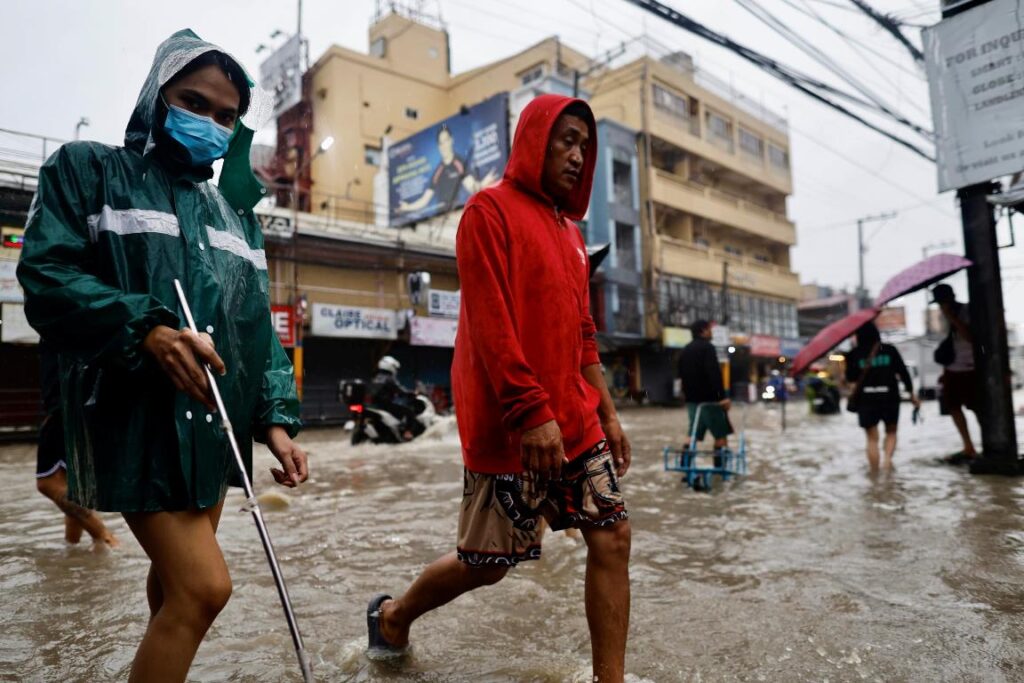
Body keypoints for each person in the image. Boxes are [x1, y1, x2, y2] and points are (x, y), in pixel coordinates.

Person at [17, 31, 306, 683]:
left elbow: (254, 326)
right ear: (157, 96)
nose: (210, 123)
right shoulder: (89, 172)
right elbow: (46, 273)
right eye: (192, 101)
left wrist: (278, 421)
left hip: (216, 431)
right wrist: (146, 329)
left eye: (226, 116)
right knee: (205, 588)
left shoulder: (236, 217)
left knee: (172, 592)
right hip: (135, 421)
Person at [367, 95, 632, 682]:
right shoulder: (488, 212)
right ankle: (393, 618)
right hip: (511, 420)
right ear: (534, 140)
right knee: (489, 564)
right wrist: (530, 412)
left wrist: (608, 414)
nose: (576, 155)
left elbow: (584, 333)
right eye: (565, 140)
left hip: (575, 416)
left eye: (584, 146)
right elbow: (491, 326)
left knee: (612, 536)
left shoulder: (571, 234)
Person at [35, 340, 119, 548]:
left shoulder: (59, 313)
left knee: (48, 483)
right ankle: (73, 547)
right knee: (75, 486)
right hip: (79, 407)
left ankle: (106, 538)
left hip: (63, 408)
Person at [844, 322, 920, 472]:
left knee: (872, 439)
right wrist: (912, 394)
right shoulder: (889, 350)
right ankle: (887, 462)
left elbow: (850, 378)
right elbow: (903, 373)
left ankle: (874, 473)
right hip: (889, 397)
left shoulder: (854, 353)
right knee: (891, 432)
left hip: (866, 399)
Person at [398, 124, 499, 213]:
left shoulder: (459, 163)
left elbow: (472, 188)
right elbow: (424, 200)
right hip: (440, 217)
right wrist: (407, 207)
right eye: (441, 143)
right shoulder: (438, 170)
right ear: (438, 146)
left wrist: (484, 183)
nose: (444, 146)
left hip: (457, 213)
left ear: (451, 140)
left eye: (446, 140)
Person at [932, 284, 979, 464]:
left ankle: (987, 444)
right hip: (952, 368)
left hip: (971, 368)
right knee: (952, 406)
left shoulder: (966, 310)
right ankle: (968, 446)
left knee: (976, 407)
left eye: (942, 302)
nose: (941, 306)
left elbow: (970, 337)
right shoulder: (943, 317)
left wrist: (952, 317)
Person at [677, 320, 732, 461]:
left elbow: (680, 375)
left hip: (692, 401)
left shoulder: (685, 350)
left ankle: (686, 465)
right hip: (710, 400)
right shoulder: (708, 348)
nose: (712, 332)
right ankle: (720, 467)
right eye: (709, 329)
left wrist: (687, 395)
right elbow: (714, 374)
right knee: (720, 433)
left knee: (693, 432)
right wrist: (722, 397)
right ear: (703, 331)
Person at [370, 355, 419, 440]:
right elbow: (400, 390)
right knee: (409, 412)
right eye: (395, 368)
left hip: (376, 405)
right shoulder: (390, 378)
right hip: (386, 406)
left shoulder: (376, 377)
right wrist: (412, 393)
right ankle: (407, 433)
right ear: (391, 367)